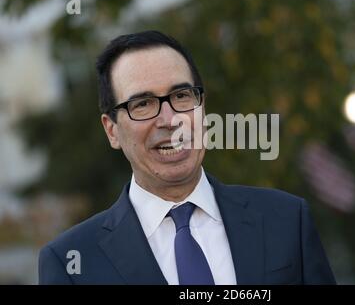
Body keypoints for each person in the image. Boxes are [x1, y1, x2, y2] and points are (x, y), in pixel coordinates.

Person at [38, 30, 336, 285]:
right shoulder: (71, 263)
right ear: (112, 130)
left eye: (181, 96)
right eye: (142, 103)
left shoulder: (286, 220)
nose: (169, 120)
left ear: (202, 107)